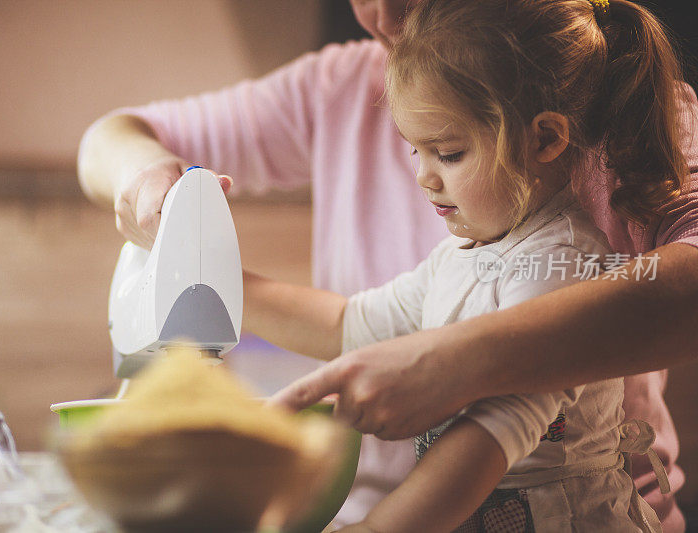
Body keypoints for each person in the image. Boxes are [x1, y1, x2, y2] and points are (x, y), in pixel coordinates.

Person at [77, 1, 698, 530]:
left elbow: (486, 440)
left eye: (447, 153)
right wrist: (205, 278)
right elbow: (355, 321)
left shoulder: (558, 264)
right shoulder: (466, 252)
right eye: (413, 150)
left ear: (544, 140)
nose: (424, 177)